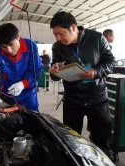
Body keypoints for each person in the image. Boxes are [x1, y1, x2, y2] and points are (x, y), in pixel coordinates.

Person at [49, 11, 115, 157]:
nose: (58, 38)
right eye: (55, 35)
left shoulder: (97, 38)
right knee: (71, 139)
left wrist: (96, 72)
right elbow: (55, 72)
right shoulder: (57, 47)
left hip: (97, 97)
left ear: (73, 27)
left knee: (102, 138)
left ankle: (104, 157)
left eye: (61, 33)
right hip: (73, 98)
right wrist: (54, 72)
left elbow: (110, 62)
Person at [0, 23, 42, 112]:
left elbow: (35, 71)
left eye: (11, 44)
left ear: (18, 37)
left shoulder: (31, 46)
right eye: (4, 47)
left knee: (32, 120)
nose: (8, 50)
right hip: (6, 93)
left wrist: (22, 84)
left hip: (28, 94)